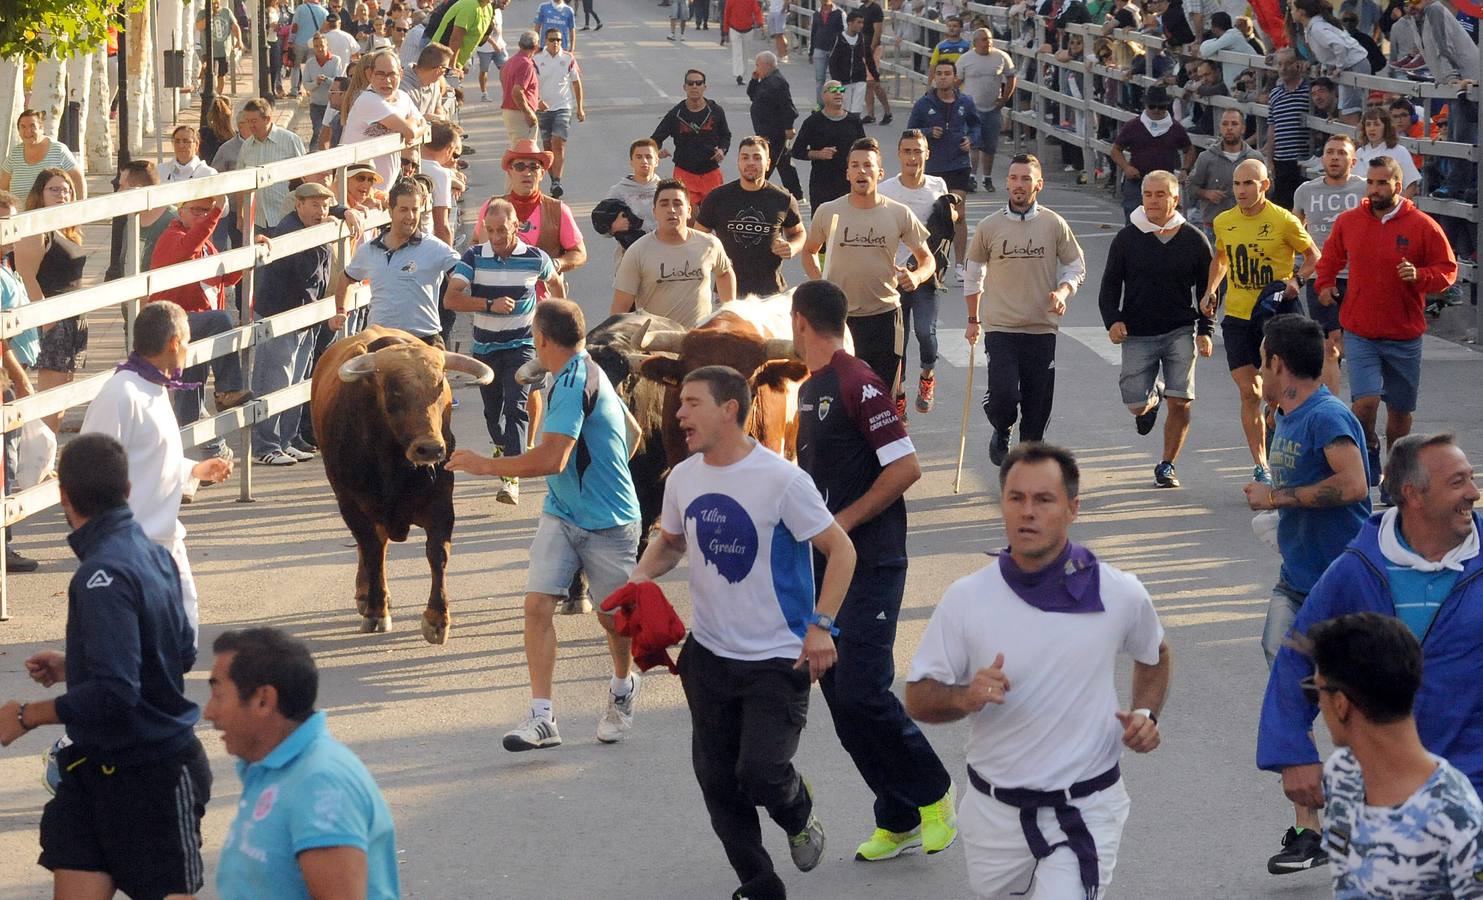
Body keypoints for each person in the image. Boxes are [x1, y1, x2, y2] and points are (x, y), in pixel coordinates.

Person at [624, 364, 857, 900]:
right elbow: (672, 542)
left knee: (760, 772)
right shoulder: (683, 478)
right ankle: (760, 883)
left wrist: (822, 626)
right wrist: (637, 578)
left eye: (691, 402)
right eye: (679, 403)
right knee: (718, 781)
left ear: (730, 409)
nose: (678, 413)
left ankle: (797, 809)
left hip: (778, 657)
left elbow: (841, 550)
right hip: (708, 656)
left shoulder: (782, 481)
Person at [905, 442, 1172, 899]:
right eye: (1016, 498)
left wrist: (1145, 715)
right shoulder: (967, 599)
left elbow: (1155, 653)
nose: (1027, 512)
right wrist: (964, 696)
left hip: (1084, 811)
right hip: (994, 817)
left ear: (1072, 509)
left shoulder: (1117, 592)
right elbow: (918, 697)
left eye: (1043, 500)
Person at [1258, 433, 1482, 872]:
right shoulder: (1357, 570)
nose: (1473, 493)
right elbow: (1299, 653)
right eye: (1458, 483)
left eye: (1471, 480)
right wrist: (1292, 752)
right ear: (1413, 495)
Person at [0, 433, 211, 899]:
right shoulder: (157, 556)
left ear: (63, 495)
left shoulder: (100, 575)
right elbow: (178, 654)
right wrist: (81, 662)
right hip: (92, 770)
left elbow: (116, 693)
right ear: (128, 490)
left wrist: (24, 717)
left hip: (152, 775)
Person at [790, 281, 956, 864]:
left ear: (800, 321)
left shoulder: (857, 382)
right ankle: (898, 818)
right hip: (828, 566)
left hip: (874, 559)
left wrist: (843, 523)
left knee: (862, 689)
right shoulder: (810, 388)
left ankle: (935, 793)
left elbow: (906, 466)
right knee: (839, 694)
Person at [446, 301, 646, 751]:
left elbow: (552, 458)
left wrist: (483, 466)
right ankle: (542, 718)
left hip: (609, 523)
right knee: (537, 606)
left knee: (613, 619)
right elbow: (633, 433)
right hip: (561, 514)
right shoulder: (577, 370)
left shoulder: (574, 381)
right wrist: (584, 482)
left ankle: (622, 687)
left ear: (540, 339)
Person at [1239, 313, 1371, 873]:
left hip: (1341, 588)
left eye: (1262, 361)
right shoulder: (1286, 413)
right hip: (1295, 582)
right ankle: (1309, 829)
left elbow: (1354, 484)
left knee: (1345, 704)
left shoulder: (1326, 416)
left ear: (1277, 364)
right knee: (1288, 686)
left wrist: (1278, 500)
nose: (1257, 373)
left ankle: (1360, 810)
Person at [207, 628, 400, 899]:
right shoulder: (268, 769)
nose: (207, 713)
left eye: (218, 696)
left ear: (264, 700)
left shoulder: (320, 784)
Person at [80, 301, 236, 637]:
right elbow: (88, 472)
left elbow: (147, 459)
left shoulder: (152, 388)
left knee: (179, 646)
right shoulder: (121, 395)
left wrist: (195, 470)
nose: (189, 351)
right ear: (174, 343)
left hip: (163, 546)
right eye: (189, 342)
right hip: (131, 556)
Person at [1301, 612, 1483, 898]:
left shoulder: (1455, 814)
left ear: (1340, 704)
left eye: (1315, 692)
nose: (1318, 705)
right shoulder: (1341, 774)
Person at [1314, 155, 1457, 502]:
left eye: (1382, 183)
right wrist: (1325, 284)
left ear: (1397, 184)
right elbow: (1329, 259)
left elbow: (1447, 270)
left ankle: (1395, 474)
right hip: (1360, 330)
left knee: (1400, 414)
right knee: (1364, 403)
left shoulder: (1422, 225)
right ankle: (1369, 452)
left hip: (1404, 335)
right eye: (1371, 183)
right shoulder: (1350, 221)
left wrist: (1420, 276)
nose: (1375, 189)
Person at [962, 154, 1086, 463]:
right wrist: (973, 319)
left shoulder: (1053, 224)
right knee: (1004, 397)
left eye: (1026, 179)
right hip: (1001, 328)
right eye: (1015, 178)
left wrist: (1063, 290)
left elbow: (1076, 265)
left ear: (1039, 184)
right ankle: (1002, 426)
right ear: (1007, 183)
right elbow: (973, 274)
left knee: (1036, 412)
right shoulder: (989, 227)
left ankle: (1025, 475)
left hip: (1041, 328)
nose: (1019, 185)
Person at [1204, 158, 1319, 485]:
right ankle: (1261, 465)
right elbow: (1221, 257)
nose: (1240, 191)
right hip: (1238, 315)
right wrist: (1211, 290)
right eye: (1237, 184)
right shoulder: (1224, 221)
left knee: (1275, 394)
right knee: (1247, 392)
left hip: (1273, 316)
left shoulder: (1283, 220)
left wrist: (1297, 279)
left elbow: (1314, 257)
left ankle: (1276, 419)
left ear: (1264, 185)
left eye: (1248, 184)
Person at [1098, 171, 1214, 489]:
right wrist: (1113, 321)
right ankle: (1155, 393)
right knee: (1136, 403)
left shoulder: (1192, 239)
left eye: (1160, 194)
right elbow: (1109, 285)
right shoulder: (1128, 238)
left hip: (1179, 329)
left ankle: (1167, 464)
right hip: (1138, 332)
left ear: (1175, 199)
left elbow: (1209, 289)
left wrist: (1205, 330)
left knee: (1182, 401)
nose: (1152, 200)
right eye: (1148, 194)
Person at [444, 198, 559, 504]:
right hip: (485, 348)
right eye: (489, 230)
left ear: (516, 227)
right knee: (492, 414)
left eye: (501, 230)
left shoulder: (535, 258)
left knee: (516, 409)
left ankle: (511, 479)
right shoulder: (473, 256)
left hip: (521, 346)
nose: (495, 237)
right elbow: (451, 299)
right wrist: (487, 305)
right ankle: (502, 448)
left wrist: (554, 316)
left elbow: (556, 284)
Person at [802, 137, 936, 392]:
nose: (861, 170)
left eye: (868, 165)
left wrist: (916, 277)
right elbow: (809, 251)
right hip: (840, 319)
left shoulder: (899, 213)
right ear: (847, 173)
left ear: (880, 173)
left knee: (880, 398)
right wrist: (821, 283)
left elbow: (927, 259)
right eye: (855, 165)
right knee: (840, 395)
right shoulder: (828, 211)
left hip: (884, 318)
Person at [148, 194, 260, 461]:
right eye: (196, 210)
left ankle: (204, 458)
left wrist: (250, 251)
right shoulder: (173, 237)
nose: (202, 215)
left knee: (190, 393)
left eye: (206, 210)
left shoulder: (206, 243)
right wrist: (215, 213)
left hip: (196, 326)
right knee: (222, 319)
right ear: (181, 211)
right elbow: (186, 249)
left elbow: (226, 277)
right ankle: (227, 391)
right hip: (173, 323)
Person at [250, 184, 339, 466]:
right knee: (275, 380)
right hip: (281, 314)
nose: (321, 211)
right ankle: (265, 446)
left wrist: (342, 212)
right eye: (314, 205)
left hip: (305, 313)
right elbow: (308, 271)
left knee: (297, 380)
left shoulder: (314, 226)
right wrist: (325, 238)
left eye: (325, 206)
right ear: (298, 204)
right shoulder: (290, 230)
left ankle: (286, 441)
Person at [334, 179, 460, 346]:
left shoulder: (435, 247)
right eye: (403, 210)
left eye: (415, 210)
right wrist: (341, 311)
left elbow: (461, 273)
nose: (410, 216)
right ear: (390, 211)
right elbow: (346, 278)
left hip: (423, 340)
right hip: (380, 341)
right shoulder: (369, 250)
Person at [877, 129, 949, 415]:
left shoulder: (937, 185)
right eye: (907, 151)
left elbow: (948, 223)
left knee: (925, 332)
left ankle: (928, 376)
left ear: (927, 154)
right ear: (899, 155)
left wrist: (951, 212)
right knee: (899, 342)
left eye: (917, 151)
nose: (912, 157)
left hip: (925, 273)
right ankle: (900, 395)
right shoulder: (886, 190)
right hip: (892, 276)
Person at [14, 169, 89, 431]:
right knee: (49, 399)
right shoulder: (37, 228)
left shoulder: (67, 229)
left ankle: (46, 462)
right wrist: (46, 320)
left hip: (74, 319)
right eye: (54, 189)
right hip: (52, 320)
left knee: (62, 398)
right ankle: (38, 464)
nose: (62, 194)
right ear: (40, 194)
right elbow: (25, 276)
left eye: (66, 189)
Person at [1292, 133, 1365, 394]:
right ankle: (1331, 408)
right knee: (1331, 343)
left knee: (1355, 343)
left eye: (1342, 153)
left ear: (1353, 161)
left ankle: (1361, 398)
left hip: (1360, 278)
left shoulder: (1365, 189)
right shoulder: (1305, 191)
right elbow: (1295, 233)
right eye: (1330, 152)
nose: (1335, 157)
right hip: (1321, 277)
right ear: (1322, 159)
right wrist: (1297, 272)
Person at [614, 178, 736, 326]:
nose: (671, 210)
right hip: (654, 343)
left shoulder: (709, 244)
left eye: (677, 204)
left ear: (689, 211)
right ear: (655, 212)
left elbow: (724, 273)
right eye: (664, 204)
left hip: (697, 342)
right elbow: (619, 310)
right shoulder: (637, 251)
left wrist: (729, 313)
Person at [696, 137, 804, 297]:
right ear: (738, 162)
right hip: (728, 294)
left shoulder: (783, 198)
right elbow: (698, 236)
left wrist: (792, 247)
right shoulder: (718, 197)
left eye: (757, 157)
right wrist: (711, 257)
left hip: (770, 294)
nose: (750, 162)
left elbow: (799, 233)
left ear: (768, 163)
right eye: (745, 157)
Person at [0, 189, 42, 571]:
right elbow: (1, 337)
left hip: (13, 372)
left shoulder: (6, 264)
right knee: (4, 463)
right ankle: (3, 547)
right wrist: (18, 377)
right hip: (3, 379)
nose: (11, 230)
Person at [907, 60, 979, 277]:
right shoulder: (923, 104)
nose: (943, 77)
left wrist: (971, 139)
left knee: (958, 213)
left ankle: (959, 265)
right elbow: (910, 131)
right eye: (939, 73)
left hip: (958, 163)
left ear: (955, 78)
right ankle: (931, 261)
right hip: (933, 165)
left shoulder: (965, 102)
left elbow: (976, 125)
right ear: (934, 77)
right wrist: (928, 132)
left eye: (947, 73)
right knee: (934, 215)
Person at [498, 138, 588, 298]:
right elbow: (476, 245)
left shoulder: (558, 209)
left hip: (544, 309)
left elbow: (579, 253)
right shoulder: (493, 207)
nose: (527, 172)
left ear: (542, 173)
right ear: (510, 171)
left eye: (534, 167)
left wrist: (556, 264)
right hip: (500, 305)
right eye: (520, 166)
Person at [1109, 85, 1195, 221]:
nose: (1156, 110)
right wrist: (1126, 167)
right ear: (1146, 106)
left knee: (1163, 221)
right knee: (1134, 222)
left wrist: (1185, 169)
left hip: (1164, 183)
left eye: (1161, 107)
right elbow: (1115, 150)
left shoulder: (1175, 128)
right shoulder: (1133, 126)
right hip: (1137, 181)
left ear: (1166, 107)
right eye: (1152, 106)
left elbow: (1189, 149)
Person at [652, 70, 733, 210]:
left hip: (710, 172)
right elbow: (655, 139)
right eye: (690, 83)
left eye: (698, 83)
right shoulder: (676, 114)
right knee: (688, 217)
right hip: (685, 173)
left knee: (715, 216)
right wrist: (656, 152)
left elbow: (726, 136)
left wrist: (722, 150)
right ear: (685, 87)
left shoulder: (715, 111)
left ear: (704, 87)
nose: (694, 86)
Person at [341, 51, 425, 185]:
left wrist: (411, 131)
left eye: (392, 74)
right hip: (359, 187)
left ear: (401, 74)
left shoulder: (403, 97)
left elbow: (423, 124)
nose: (387, 80)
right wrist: (410, 130)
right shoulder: (368, 99)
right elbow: (411, 130)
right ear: (369, 74)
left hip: (383, 188)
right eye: (380, 74)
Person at [790, 80, 867, 211]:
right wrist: (818, 154)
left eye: (841, 90)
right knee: (823, 224)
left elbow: (864, 149)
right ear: (823, 96)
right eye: (833, 90)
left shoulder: (853, 121)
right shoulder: (813, 122)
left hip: (849, 182)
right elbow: (797, 151)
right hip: (822, 183)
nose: (838, 93)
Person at [955, 28, 1015, 193]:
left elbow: (1011, 76)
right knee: (973, 144)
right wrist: (954, 103)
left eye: (988, 39)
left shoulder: (1001, 57)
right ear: (975, 43)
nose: (986, 43)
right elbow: (957, 81)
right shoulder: (965, 59)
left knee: (990, 146)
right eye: (982, 39)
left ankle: (987, 178)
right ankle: (971, 177)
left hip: (992, 108)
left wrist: (1004, 99)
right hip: (971, 108)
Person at [237, 97, 309, 234]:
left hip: (286, 217)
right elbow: (241, 183)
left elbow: (305, 178)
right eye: (247, 121)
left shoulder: (290, 140)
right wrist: (240, 217)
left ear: (267, 119)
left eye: (254, 121)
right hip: (257, 220)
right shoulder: (246, 146)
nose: (250, 126)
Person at [1290, 0, 1370, 120]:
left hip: (1354, 65)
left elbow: (1339, 45)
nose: (1291, 12)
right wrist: (1326, 66)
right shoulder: (1314, 26)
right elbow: (1328, 51)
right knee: (1345, 108)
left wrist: (1339, 66)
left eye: (1292, 9)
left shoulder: (1317, 27)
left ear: (1301, 12)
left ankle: (1354, 136)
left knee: (1350, 111)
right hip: (1352, 65)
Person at [1187, 108, 1263, 233]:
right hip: (1215, 228)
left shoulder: (1255, 158)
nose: (1229, 128)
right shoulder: (1206, 158)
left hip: (1248, 227)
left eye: (1234, 124)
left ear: (1243, 128)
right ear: (1220, 128)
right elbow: (1190, 187)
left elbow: (1269, 190)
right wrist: (1206, 193)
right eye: (1225, 124)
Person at [533, 27, 586, 199]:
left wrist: (579, 107)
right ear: (545, 41)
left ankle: (557, 180)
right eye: (552, 40)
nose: (555, 43)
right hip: (543, 109)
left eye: (558, 40)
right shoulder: (537, 59)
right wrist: (537, 100)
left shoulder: (568, 58)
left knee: (558, 143)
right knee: (548, 147)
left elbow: (576, 84)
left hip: (563, 107)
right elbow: (531, 84)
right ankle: (553, 181)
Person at [746, 51, 803, 201]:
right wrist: (753, 80)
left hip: (774, 132)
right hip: (764, 131)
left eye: (758, 65)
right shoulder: (765, 80)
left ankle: (755, 190)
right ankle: (796, 194)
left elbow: (787, 107)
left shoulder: (778, 82)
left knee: (767, 163)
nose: (756, 68)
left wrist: (788, 127)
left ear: (767, 65)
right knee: (785, 164)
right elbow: (752, 95)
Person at [1263, 49, 1313, 211]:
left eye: (1287, 64)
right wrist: (1270, 160)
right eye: (1279, 64)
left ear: (1297, 65)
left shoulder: (1308, 91)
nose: (1283, 68)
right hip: (1281, 161)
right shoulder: (1275, 94)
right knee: (1283, 209)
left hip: (1303, 160)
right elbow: (1272, 127)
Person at [600, 139, 662, 263]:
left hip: (663, 255)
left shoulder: (666, 189)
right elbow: (602, 228)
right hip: (630, 258)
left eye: (649, 157)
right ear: (631, 162)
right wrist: (613, 227)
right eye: (639, 157)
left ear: (656, 161)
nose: (644, 161)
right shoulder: (618, 191)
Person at [1353, 106, 1423, 198]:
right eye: (1368, 124)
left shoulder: (1399, 151)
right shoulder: (1359, 153)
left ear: (1386, 127)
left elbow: (1411, 184)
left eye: (1376, 124)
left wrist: (1399, 208)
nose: (1372, 128)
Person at [829, 11, 877, 117]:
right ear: (850, 23)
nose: (861, 25)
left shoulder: (862, 38)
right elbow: (832, 61)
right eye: (858, 22)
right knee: (844, 109)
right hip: (843, 81)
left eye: (862, 23)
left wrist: (875, 75)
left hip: (859, 78)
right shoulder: (838, 38)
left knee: (856, 110)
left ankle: (856, 131)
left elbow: (868, 57)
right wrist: (836, 80)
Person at [499, 31, 541, 146]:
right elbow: (517, 91)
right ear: (536, 47)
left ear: (519, 44)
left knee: (518, 149)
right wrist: (528, 113)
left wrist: (537, 101)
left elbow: (504, 80)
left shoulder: (511, 61)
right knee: (526, 152)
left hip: (510, 111)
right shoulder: (526, 64)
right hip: (520, 113)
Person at [428, 0, 496, 69]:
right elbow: (455, 39)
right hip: (440, 58)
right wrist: (452, 67)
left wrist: (461, 64)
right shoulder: (469, 5)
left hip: (455, 61)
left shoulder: (488, 8)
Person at [303, 33, 346, 135]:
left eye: (322, 45)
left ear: (327, 45)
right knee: (317, 132)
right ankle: (315, 150)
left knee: (333, 132)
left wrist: (326, 80)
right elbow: (305, 84)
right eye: (316, 46)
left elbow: (338, 82)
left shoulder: (336, 60)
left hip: (332, 105)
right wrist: (315, 83)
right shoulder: (310, 63)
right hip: (316, 104)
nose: (320, 49)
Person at [858, 0, 892, 124]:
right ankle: (870, 114)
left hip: (873, 49)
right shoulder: (861, 8)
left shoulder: (875, 8)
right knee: (867, 83)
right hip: (862, 48)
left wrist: (871, 48)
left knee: (874, 83)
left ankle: (888, 112)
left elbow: (877, 31)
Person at [290, 0, 331, 94]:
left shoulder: (300, 9)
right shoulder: (324, 12)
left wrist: (290, 41)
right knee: (312, 66)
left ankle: (294, 90)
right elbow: (325, 29)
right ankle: (311, 89)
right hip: (315, 43)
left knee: (296, 67)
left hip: (299, 42)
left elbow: (294, 26)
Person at [809, 0, 844, 105]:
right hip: (819, 48)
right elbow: (813, 32)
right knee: (820, 79)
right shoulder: (816, 13)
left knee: (837, 79)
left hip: (835, 50)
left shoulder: (839, 13)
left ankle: (837, 103)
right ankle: (820, 105)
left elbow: (843, 33)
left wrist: (841, 51)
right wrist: (811, 51)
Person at [723, 0, 764, 85]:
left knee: (741, 53)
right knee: (742, 53)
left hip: (741, 28)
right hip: (740, 28)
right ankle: (740, 74)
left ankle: (740, 74)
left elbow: (757, 11)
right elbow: (727, 14)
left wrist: (725, 31)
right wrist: (760, 22)